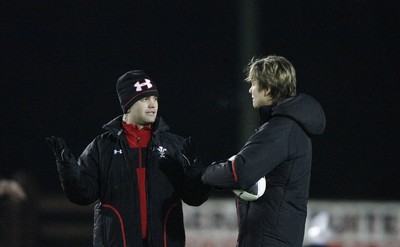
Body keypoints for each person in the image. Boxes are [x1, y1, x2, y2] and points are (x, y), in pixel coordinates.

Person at [47, 70, 210, 247]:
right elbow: (83, 194)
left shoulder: (175, 145)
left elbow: (195, 198)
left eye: (155, 99)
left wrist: (193, 169)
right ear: (128, 105)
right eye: (144, 99)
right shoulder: (102, 147)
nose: (152, 105)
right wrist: (67, 166)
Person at [202, 55, 326, 247]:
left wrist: (205, 173)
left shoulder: (281, 129)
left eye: (254, 84)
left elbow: (240, 172)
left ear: (268, 89)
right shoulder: (290, 126)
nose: (250, 89)